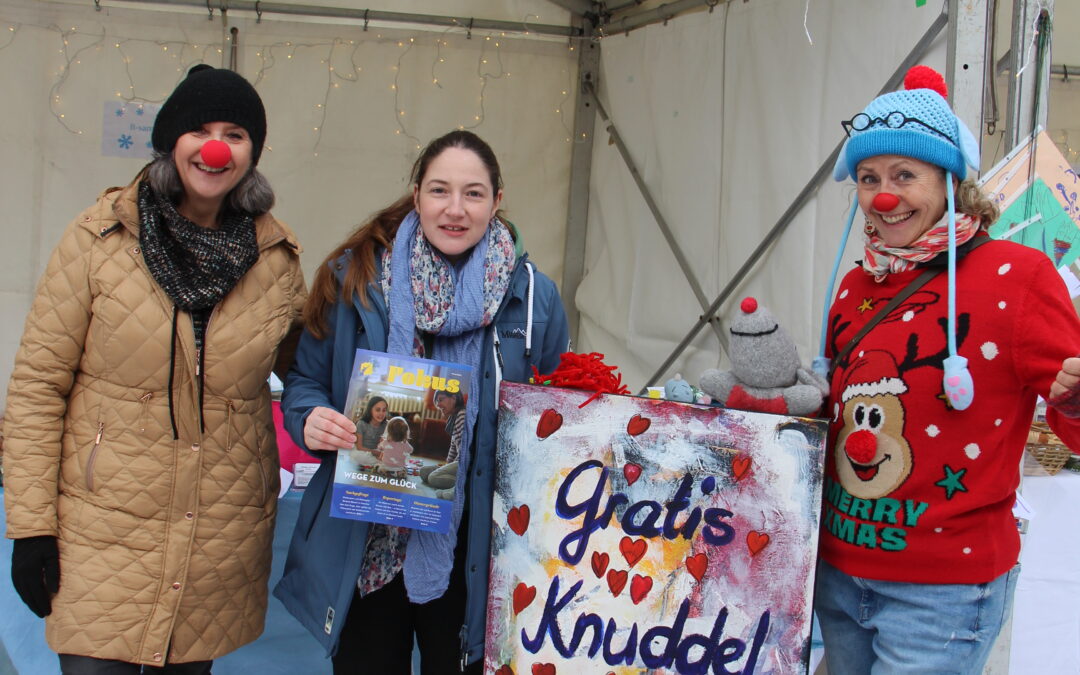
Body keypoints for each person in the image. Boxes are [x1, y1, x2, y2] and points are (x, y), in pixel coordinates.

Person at [4, 64, 307, 674]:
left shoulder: (277, 261)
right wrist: (30, 525)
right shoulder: (98, 241)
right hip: (102, 531)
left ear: (251, 152)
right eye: (198, 129)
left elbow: (308, 375)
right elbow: (38, 387)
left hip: (216, 540)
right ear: (172, 141)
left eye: (234, 132)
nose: (215, 146)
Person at [814, 65, 1080, 674]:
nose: (885, 195)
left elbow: (1075, 425)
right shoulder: (858, 281)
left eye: (905, 175)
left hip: (943, 592)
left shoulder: (1020, 276)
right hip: (838, 571)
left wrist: (1074, 399)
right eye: (868, 177)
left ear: (951, 181)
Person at [273, 129, 570, 673]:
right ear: (416, 195)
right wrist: (310, 417)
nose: (455, 209)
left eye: (474, 193)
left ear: (498, 201)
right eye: (439, 191)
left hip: (474, 548)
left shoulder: (532, 296)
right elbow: (305, 381)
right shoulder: (356, 278)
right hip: (369, 537)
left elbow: (557, 414)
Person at [419, 389, 466, 494]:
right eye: (437, 401)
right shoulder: (453, 418)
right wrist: (447, 465)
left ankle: (466, 484)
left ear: (454, 398)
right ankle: (453, 479)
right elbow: (453, 447)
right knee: (423, 471)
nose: (438, 404)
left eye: (441, 400)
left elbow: (466, 448)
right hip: (458, 462)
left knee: (433, 478)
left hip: (465, 462)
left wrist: (449, 467)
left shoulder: (462, 415)